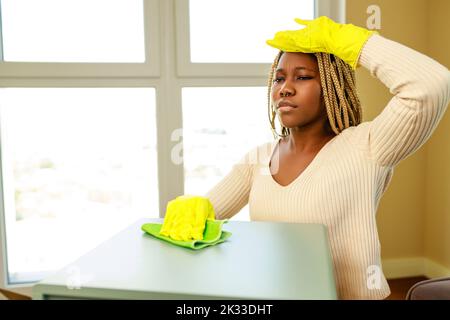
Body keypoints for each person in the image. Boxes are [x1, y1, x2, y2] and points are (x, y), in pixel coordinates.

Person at [163, 16, 450, 299]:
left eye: (302, 76)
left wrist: (353, 42)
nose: (285, 88)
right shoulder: (258, 160)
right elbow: (205, 214)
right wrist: (193, 209)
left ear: (332, 85)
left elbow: (430, 86)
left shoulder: (368, 147)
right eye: (279, 78)